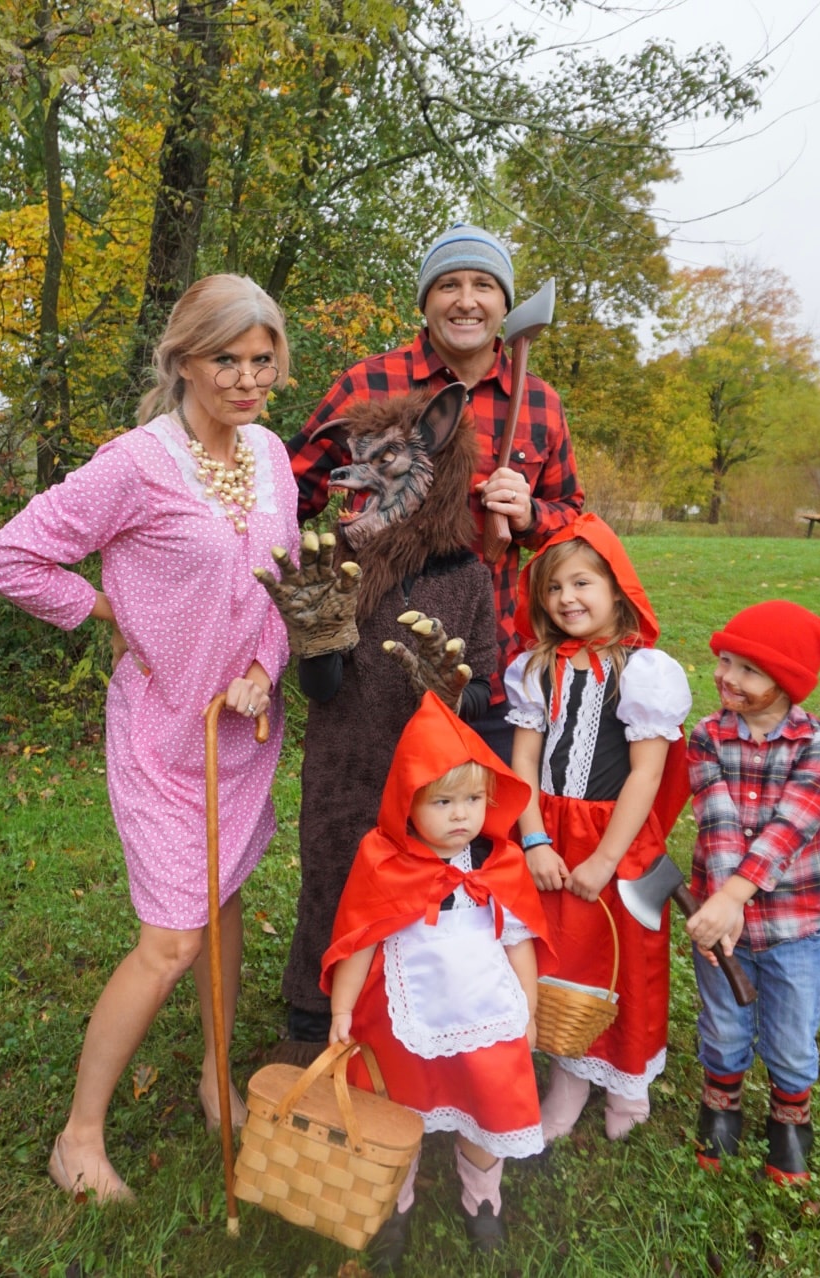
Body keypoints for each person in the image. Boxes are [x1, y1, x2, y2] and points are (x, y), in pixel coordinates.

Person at [0, 274, 300, 1202]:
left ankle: (213, 1075)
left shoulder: (272, 455)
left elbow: (284, 582)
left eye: (261, 360)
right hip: (162, 732)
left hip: (239, 730)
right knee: (171, 940)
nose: (246, 379)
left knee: (227, 896)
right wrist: (100, 606)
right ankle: (78, 1138)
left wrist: (263, 668)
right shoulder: (137, 463)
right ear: (184, 362)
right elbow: (11, 557)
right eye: (225, 360)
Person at [286, 223, 584, 763]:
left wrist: (529, 514)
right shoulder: (367, 385)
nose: (465, 301)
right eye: (448, 285)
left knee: (479, 831)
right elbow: (287, 491)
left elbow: (571, 519)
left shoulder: (539, 402)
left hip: (485, 669)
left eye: (483, 285)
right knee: (363, 830)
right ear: (426, 301)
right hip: (371, 667)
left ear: (504, 302)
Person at [263, 385, 498, 1052]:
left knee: (421, 902)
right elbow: (323, 686)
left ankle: (405, 1021)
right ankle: (313, 1019)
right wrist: (316, 639)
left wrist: (449, 692)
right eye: (358, 460)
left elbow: (481, 690)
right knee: (333, 886)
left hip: (432, 782)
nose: (354, 477)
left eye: (384, 460)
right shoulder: (339, 557)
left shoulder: (466, 578)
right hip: (345, 768)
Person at [321, 692, 554, 1269]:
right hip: (404, 1020)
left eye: (474, 799)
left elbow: (519, 941)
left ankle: (482, 1201)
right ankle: (392, 1207)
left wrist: (528, 1010)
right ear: (407, 802)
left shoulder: (498, 861)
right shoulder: (384, 861)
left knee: (485, 1109)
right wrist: (341, 1013)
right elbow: (360, 938)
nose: (461, 815)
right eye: (443, 801)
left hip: (485, 1013)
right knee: (397, 1113)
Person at [505, 513, 692, 1142]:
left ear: (617, 589)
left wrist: (606, 860)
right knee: (562, 950)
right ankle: (570, 1073)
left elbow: (646, 775)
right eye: (554, 589)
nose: (567, 599)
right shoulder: (537, 669)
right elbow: (524, 759)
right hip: (552, 830)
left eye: (582, 583)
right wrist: (533, 838)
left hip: (617, 838)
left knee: (623, 958)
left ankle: (627, 1079)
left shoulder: (643, 673)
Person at [685, 601, 820, 1183]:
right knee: (723, 1024)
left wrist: (733, 898)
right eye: (725, 661)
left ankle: (790, 1116)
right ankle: (722, 1104)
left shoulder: (817, 743)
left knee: (792, 1032)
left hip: (793, 926)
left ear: (787, 681)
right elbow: (717, 820)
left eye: (749, 669)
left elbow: (790, 830)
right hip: (722, 924)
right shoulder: (706, 737)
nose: (728, 677)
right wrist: (724, 909)